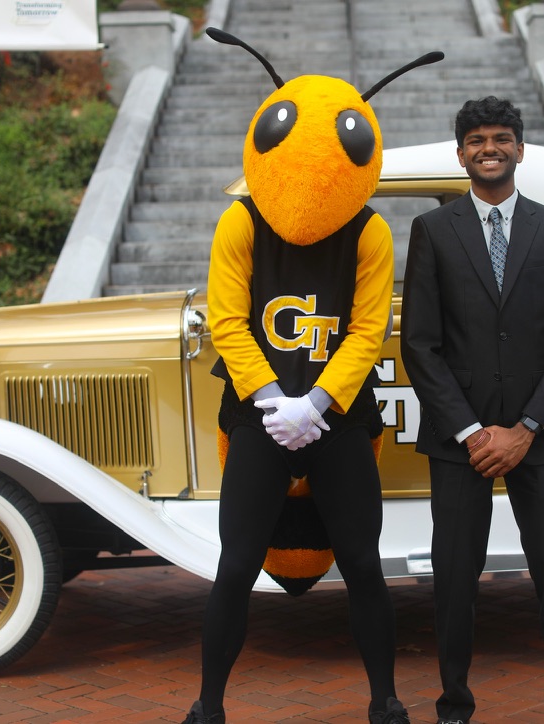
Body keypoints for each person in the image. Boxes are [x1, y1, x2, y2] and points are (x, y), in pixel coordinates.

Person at [183, 28, 443, 724]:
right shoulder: (238, 222)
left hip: (338, 421)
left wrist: (318, 404)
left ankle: (385, 699)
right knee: (235, 564)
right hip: (258, 416)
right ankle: (208, 705)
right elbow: (227, 321)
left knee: (362, 562)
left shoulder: (369, 232)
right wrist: (273, 401)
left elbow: (368, 330)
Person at [400, 96, 544, 724]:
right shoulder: (432, 232)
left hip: (537, 438)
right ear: (461, 153)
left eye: (502, 137)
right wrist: (471, 431)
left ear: (520, 148)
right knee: (456, 583)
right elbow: (421, 346)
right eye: (478, 139)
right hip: (459, 442)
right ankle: (454, 705)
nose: (491, 147)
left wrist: (525, 430)